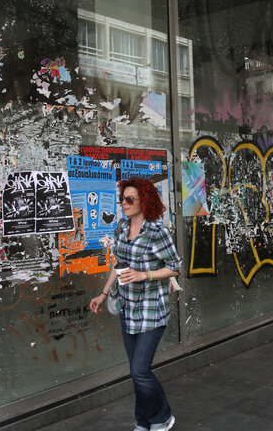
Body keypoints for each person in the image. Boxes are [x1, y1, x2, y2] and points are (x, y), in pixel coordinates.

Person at [89, 177, 180, 431]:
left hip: (152, 310)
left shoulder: (157, 231)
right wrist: (103, 294)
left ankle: (162, 417)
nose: (124, 204)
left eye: (130, 199)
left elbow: (175, 268)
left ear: (145, 201)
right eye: (122, 199)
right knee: (136, 372)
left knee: (140, 371)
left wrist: (144, 275)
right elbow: (117, 263)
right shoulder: (121, 226)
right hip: (127, 309)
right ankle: (143, 421)